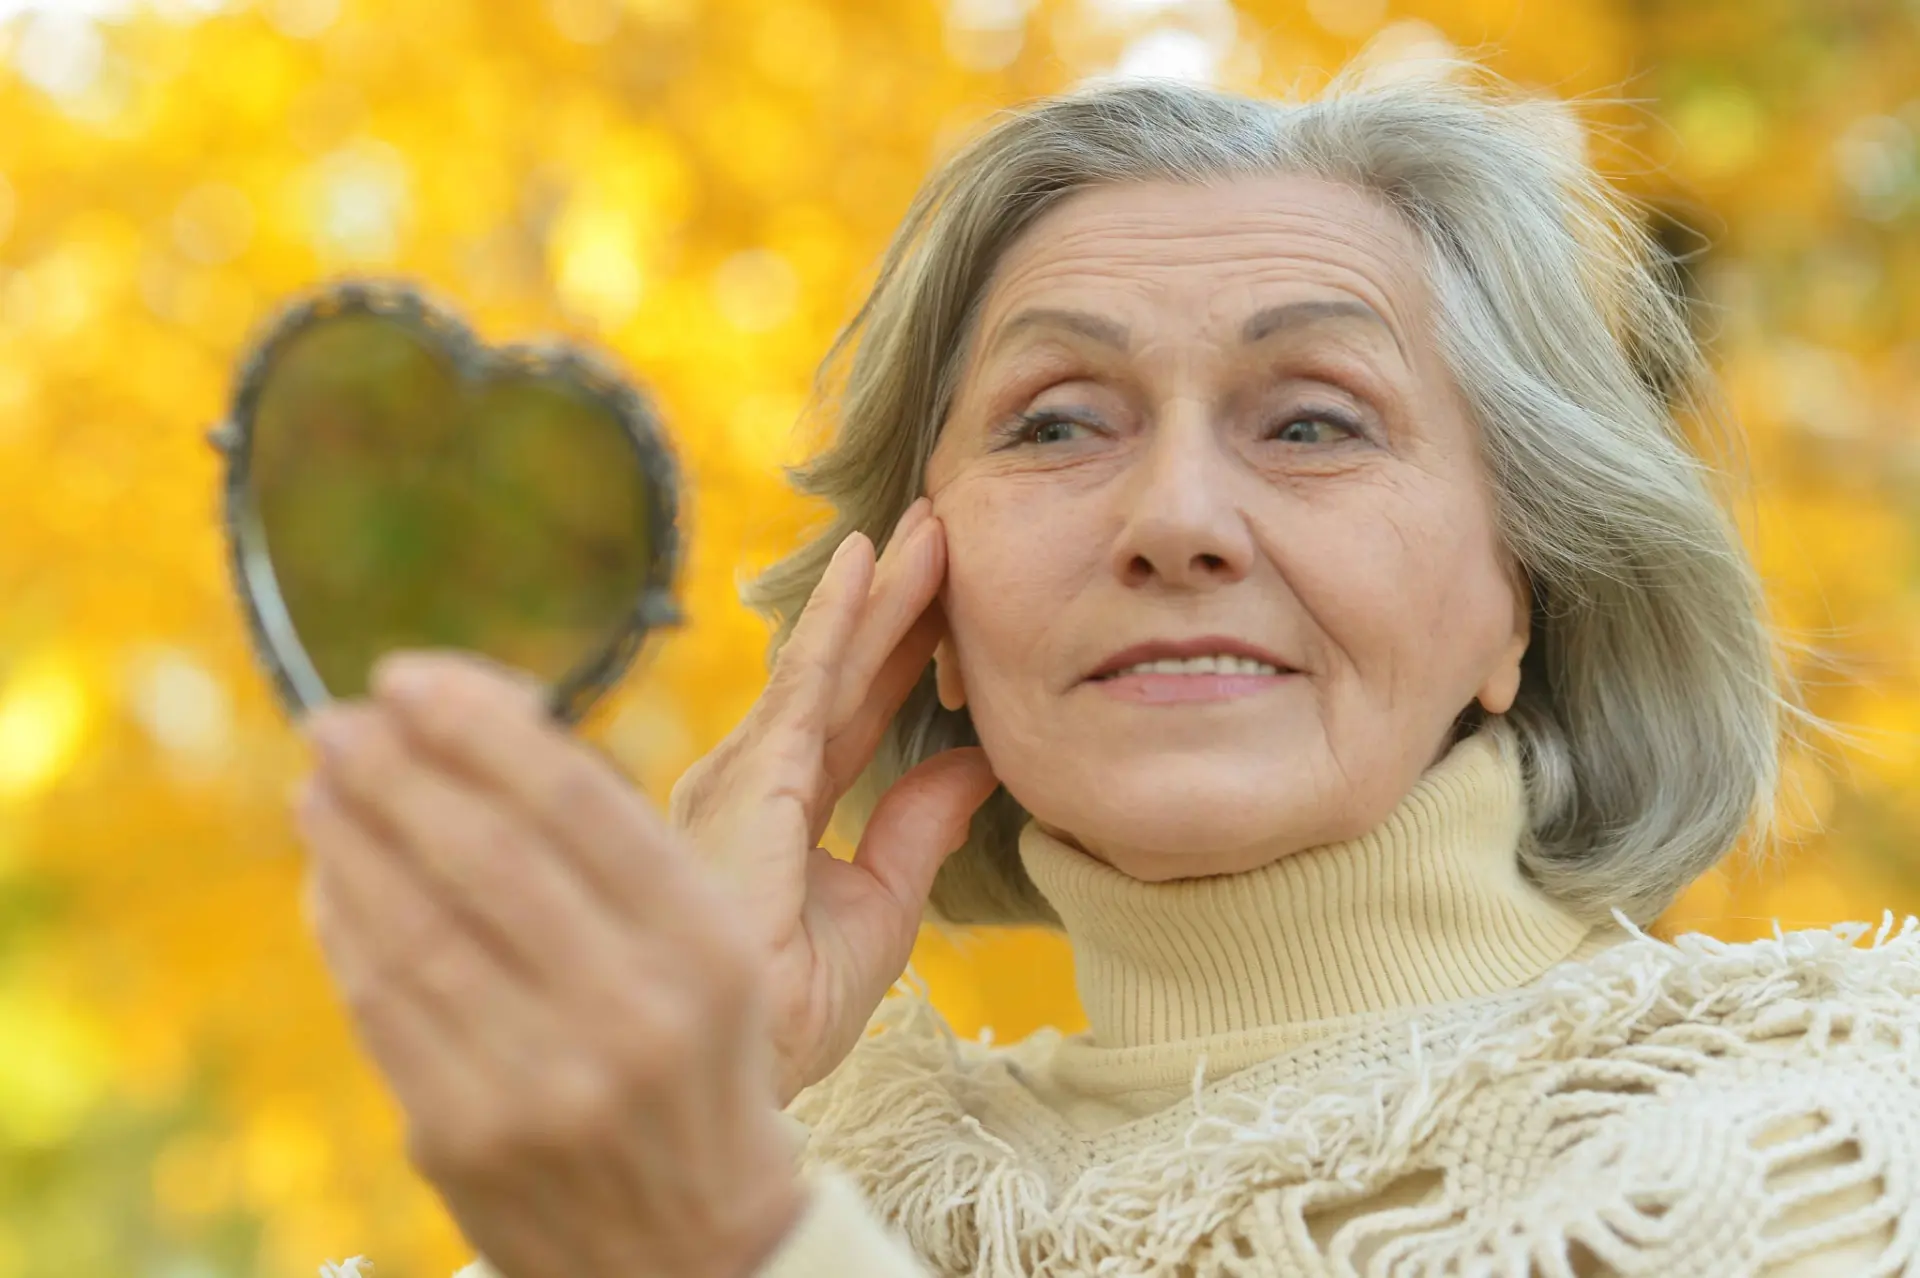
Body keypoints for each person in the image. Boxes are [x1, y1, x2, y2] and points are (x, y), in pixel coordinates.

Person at [298, 59, 1920, 1278]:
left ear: (1525, 601)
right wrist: (702, 1085)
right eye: (1058, 422)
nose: (1176, 518)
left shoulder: (1829, 1144)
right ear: (919, 590)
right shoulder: (808, 1166)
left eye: (1313, 420)